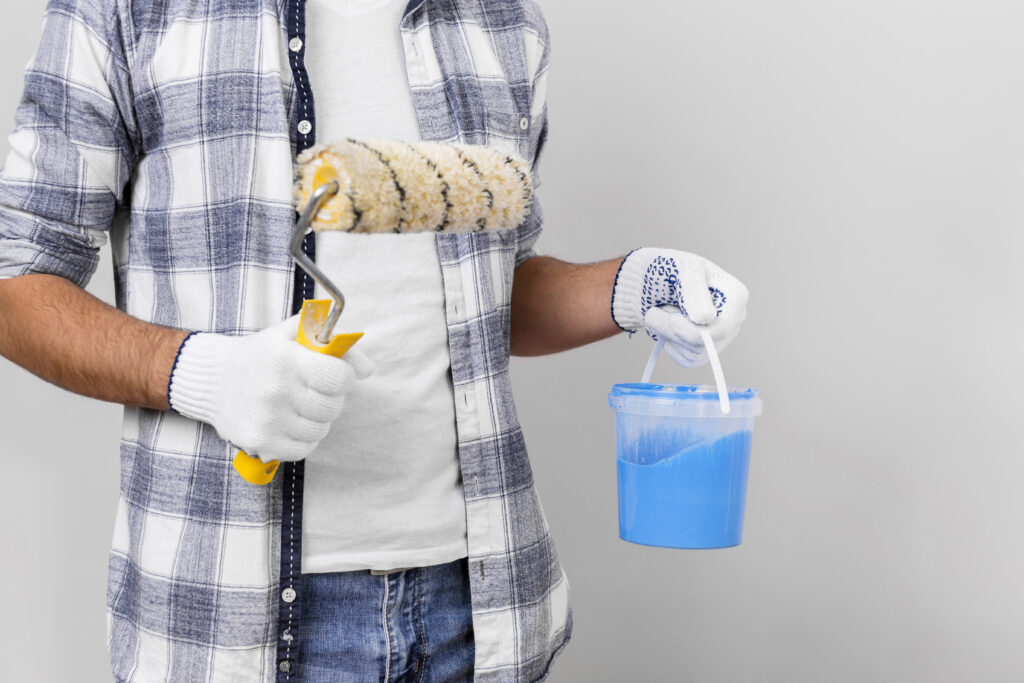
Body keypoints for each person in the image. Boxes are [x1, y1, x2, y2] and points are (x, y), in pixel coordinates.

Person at [0, 0, 748, 680]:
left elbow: (490, 291)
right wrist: (202, 373)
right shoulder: (129, 10)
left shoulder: (502, 22)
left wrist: (630, 286)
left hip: (479, 611)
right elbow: (15, 276)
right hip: (230, 624)